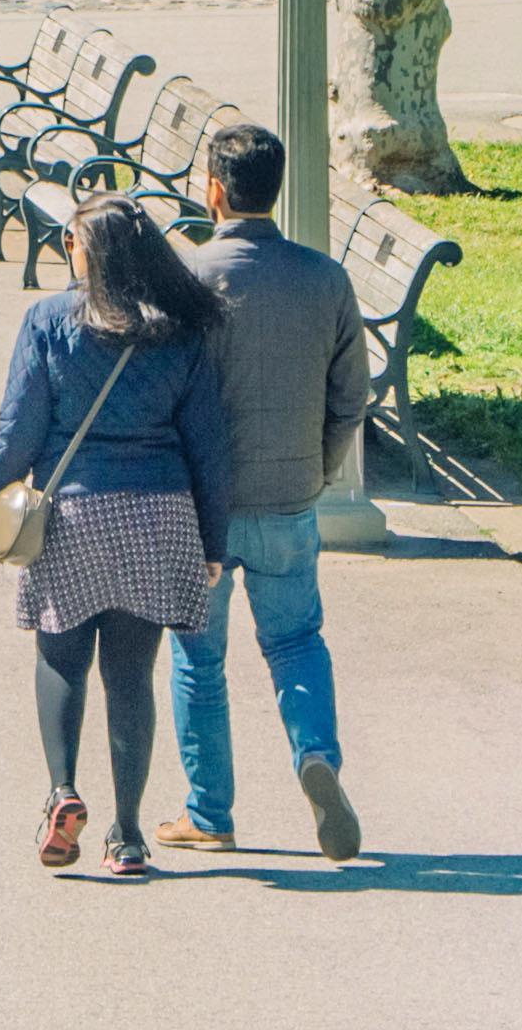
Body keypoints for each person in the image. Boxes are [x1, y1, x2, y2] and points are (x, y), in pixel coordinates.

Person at [0, 195, 232, 875]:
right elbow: (209, 442)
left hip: (73, 515)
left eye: (71, 242)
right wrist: (212, 540)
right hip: (158, 515)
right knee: (130, 677)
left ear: (87, 254)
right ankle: (127, 835)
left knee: (61, 659)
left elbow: (18, 428)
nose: (67, 251)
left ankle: (62, 793)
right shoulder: (181, 329)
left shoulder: (49, 321)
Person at [162, 122, 372, 861]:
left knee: (198, 658)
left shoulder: (186, 277)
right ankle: (316, 755)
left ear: (213, 189)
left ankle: (209, 812)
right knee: (295, 641)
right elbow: (352, 397)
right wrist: (316, 466)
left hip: (202, 508)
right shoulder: (325, 279)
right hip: (289, 493)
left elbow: (162, 393)